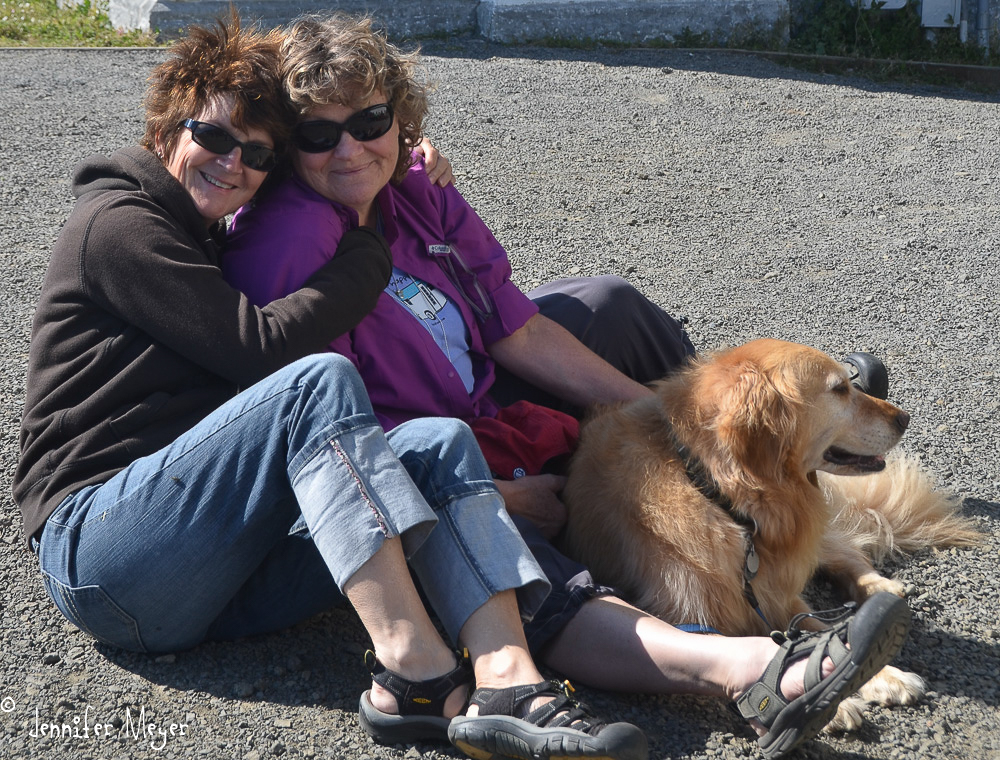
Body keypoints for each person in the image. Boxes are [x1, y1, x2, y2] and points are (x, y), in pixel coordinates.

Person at [221, 12, 912, 759]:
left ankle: (767, 491)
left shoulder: (412, 187)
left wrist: (684, 430)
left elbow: (517, 330)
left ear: (398, 112)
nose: (351, 147)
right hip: (420, 459)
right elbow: (325, 441)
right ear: (291, 146)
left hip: (480, 403)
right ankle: (735, 664)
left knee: (612, 306)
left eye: (370, 120)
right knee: (508, 548)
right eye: (320, 135)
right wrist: (493, 496)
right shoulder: (288, 244)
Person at [12, 14, 656, 760]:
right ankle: (414, 669)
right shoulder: (117, 224)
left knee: (437, 442)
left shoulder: (213, 228)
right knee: (317, 379)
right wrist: (367, 250)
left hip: (216, 574)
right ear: (165, 130)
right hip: (106, 554)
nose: (231, 162)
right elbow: (260, 351)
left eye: (257, 154)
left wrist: (401, 167)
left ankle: (508, 678)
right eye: (213, 137)